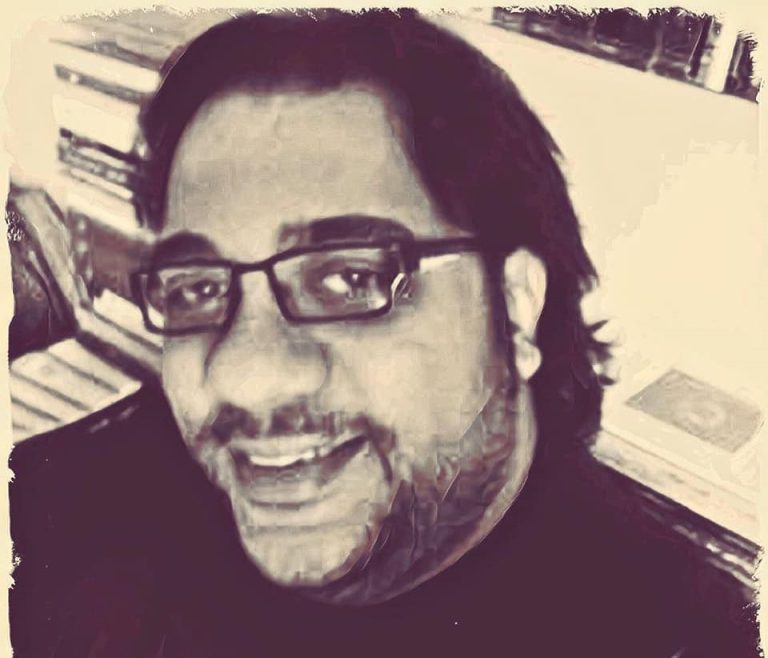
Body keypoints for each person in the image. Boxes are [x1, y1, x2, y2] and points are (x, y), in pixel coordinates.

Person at [9, 10, 759, 658]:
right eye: (198, 288)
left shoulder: (690, 634)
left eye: (349, 278)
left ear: (514, 306)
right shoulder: (55, 524)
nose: (244, 374)